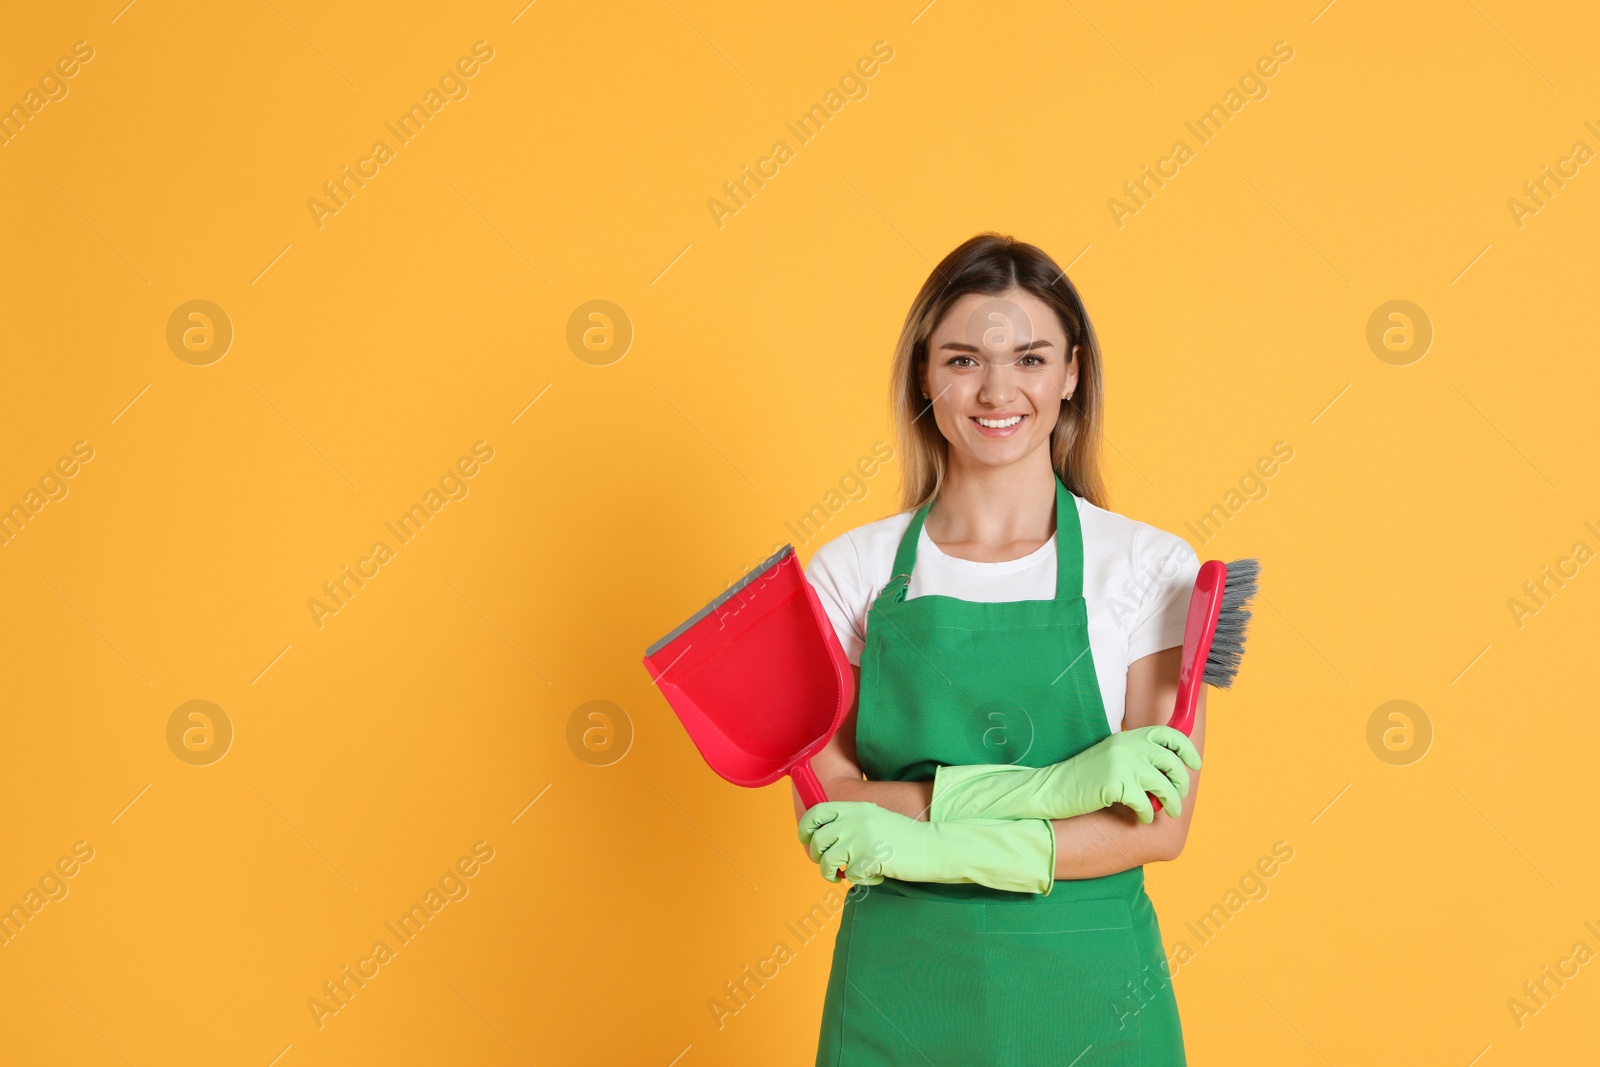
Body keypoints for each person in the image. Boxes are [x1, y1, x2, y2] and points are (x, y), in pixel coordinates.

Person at [795, 232, 1206, 1065]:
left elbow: (1158, 826)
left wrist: (929, 834)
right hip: (898, 996)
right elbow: (828, 806)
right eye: (961, 360)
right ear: (923, 373)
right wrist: (1062, 790)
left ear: (1071, 373)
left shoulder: (1152, 567)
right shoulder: (852, 571)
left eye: (1029, 358)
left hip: (1094, 998)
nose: (996, 390)